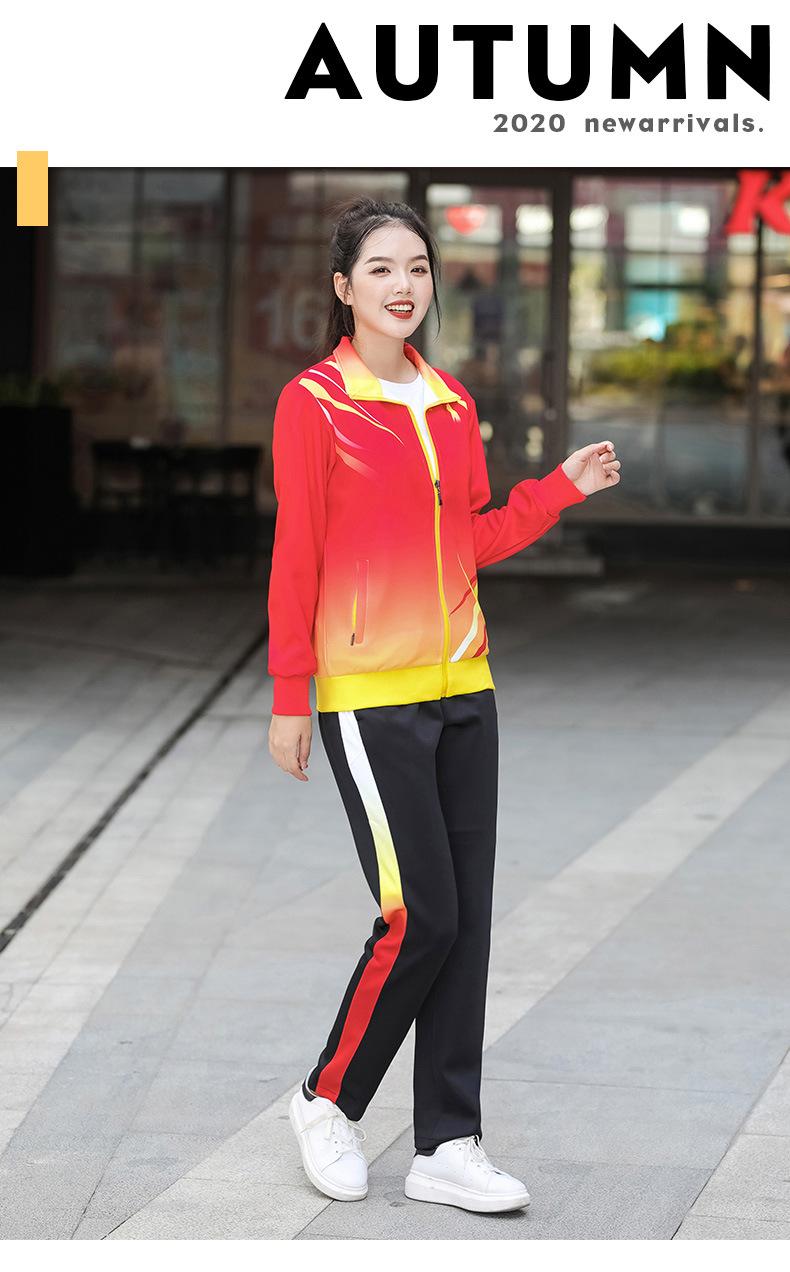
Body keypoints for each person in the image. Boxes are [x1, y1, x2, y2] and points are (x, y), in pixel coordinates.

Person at [267, 195, 621, 1214]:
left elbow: (470, 537)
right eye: (380, 268)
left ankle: (448, 1143)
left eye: (417, 267)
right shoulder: (315, 404)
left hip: (465, 687)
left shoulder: (450, 403)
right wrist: (292, 696)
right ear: (344, 288)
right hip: (366, 695)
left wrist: (556, 489)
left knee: (464, 924)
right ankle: (326, 1099)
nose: (402, 285)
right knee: (417, 914)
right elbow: (298, 555)